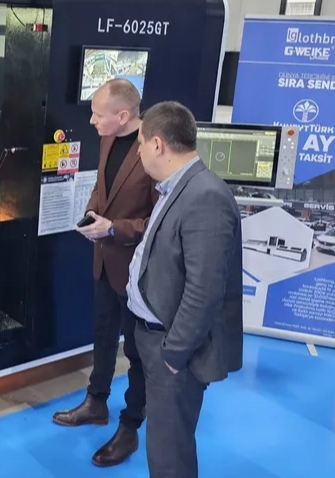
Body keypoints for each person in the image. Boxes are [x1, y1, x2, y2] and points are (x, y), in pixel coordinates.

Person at [127, 101, 243, 478]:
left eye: (140, 143)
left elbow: (204, 290)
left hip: (174, 352)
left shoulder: (205, 196)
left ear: (157, 144)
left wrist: (174, 354)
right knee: (163, 445)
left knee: (170, 454)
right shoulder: (177, 188)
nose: (138, 152)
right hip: (155, 340)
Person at [52, 79, 158, 467]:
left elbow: (159, 222)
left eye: (98, 114)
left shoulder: (155, 153)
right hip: (104, 261)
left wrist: (113, 228)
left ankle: (130, 427)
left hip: (136, 271)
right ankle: (96, 402)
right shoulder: (108, 138)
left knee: (136, 352)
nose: (92, 121)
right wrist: (92, 214)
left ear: (123, 116)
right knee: (102, 335)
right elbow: (103, 186)